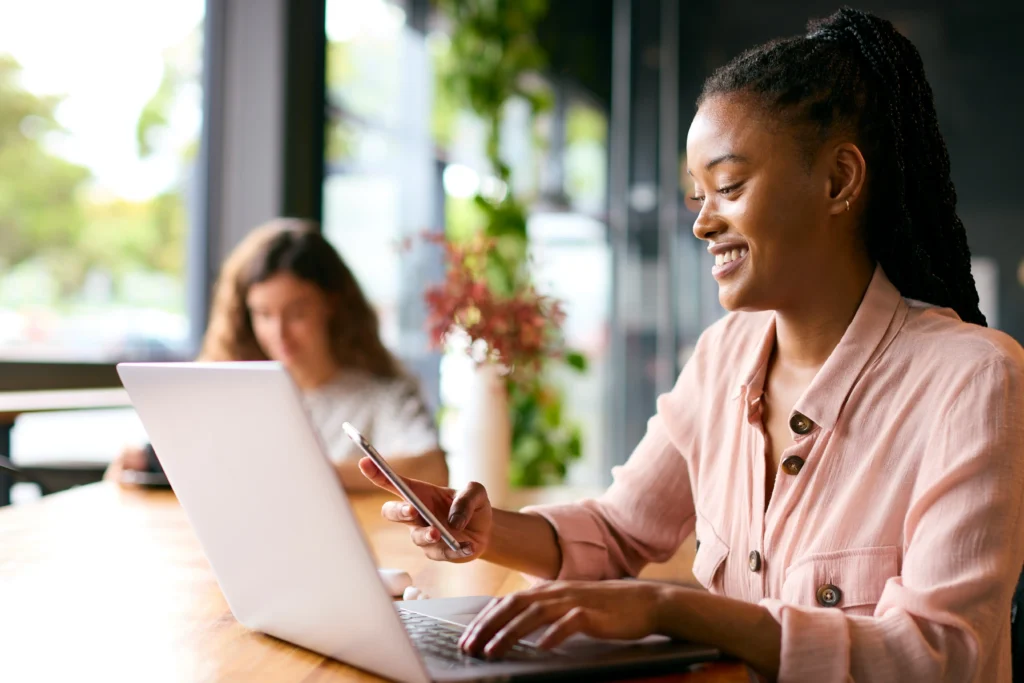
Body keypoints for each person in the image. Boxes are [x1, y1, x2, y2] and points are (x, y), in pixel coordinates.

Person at [358, 8, 1024, 682]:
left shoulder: (974, 379)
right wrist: (485, 528)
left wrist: (672, 608)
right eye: (696, 194)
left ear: (838, 180)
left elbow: (940, 655)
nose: (703, 222)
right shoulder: (724, 355)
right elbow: (620, 530)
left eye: (729, 186)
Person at [110, 218, 448, 492]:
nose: (279, 333)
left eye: (297, 313)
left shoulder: (381, 394)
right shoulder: (231, 392)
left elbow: (432, 470)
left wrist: (309, 477)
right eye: (264, 315)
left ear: (331, 304)